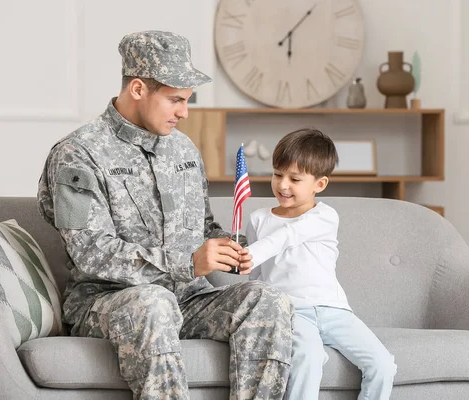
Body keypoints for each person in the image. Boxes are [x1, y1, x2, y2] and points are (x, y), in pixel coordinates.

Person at [37, 30, 293, 400]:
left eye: (188, 100)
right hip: (112, 302)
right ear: (138, 89)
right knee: (153, 303)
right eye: (175, 99)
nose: (184, 112)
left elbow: (202, 224)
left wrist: (227, 246)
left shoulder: (183, 149)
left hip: (188, 300)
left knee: (269, 299)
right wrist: (188, 262)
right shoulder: (78, 154)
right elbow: (91, 252)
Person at [244, 129, 397, 399]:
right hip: (291, 312)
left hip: (335, 312)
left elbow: (288, 236)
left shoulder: (325, 216)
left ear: (320, 184)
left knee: (383, 364)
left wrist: (250, 253)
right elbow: (256, 278)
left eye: (294, 179)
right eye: (278, 174)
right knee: (308, 357)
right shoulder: (258, 219)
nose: (283, 185)